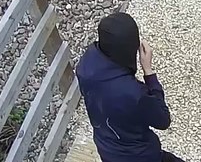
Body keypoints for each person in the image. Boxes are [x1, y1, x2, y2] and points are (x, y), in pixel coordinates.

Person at [76, 12, 184, 162]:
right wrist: (149, 72)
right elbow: (163, 120)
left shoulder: (84, 67)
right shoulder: (133, 93)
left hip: (107, 151)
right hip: (140, 157)